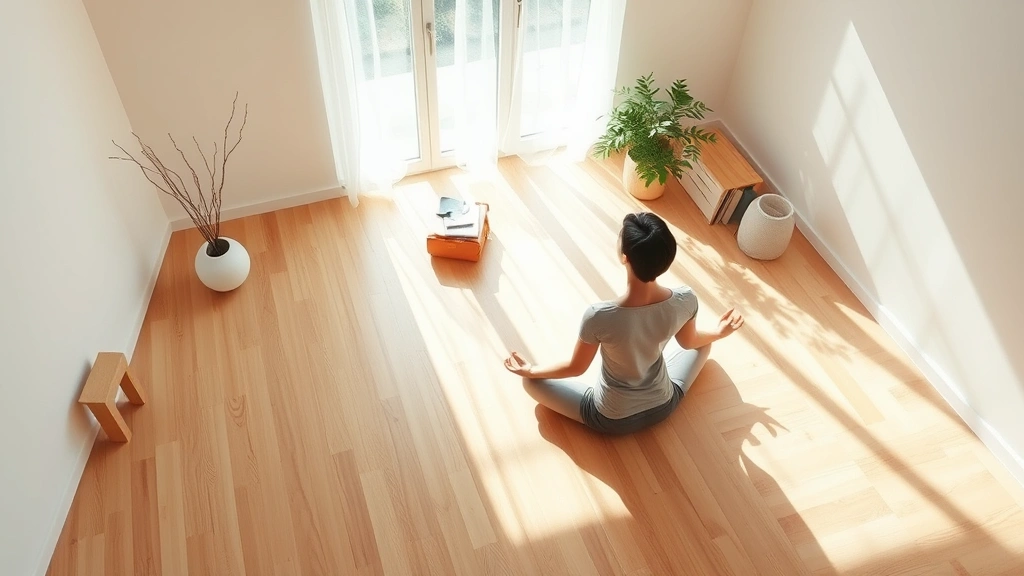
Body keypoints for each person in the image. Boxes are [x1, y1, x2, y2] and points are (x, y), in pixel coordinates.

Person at [503, 212, 745, 435]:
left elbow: (576, 368)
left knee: (531, 383)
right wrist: (718, 332)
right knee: (703, 343)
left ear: (624, 257)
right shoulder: (685, 299)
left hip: (610, 419)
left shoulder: (599, 316)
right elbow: (689, 342)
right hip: (664, 405)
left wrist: (530, 370)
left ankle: (532, 377)